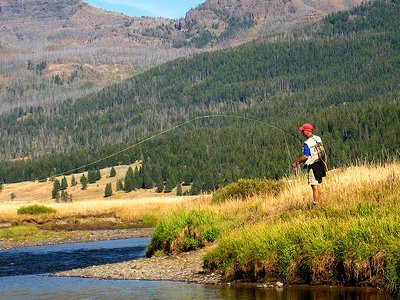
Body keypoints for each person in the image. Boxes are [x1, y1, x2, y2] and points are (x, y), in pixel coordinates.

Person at [291, 123, 326, 206]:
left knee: (314, 186)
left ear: (307, 131)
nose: (302, 132)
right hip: (320, 163)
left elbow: (305, 156)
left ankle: (316, 204)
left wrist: (297, 163)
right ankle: (318, 202)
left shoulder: (307, 143)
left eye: (303, 130)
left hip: (313, 165)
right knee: (317, 184)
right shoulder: (318, 138)